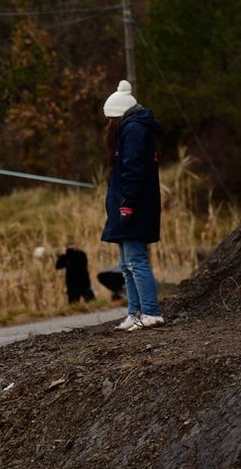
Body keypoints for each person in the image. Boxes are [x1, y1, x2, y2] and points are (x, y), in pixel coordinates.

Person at [101, 80, 165, 331]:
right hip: (127, 205)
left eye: (110, 118)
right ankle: (135, 312)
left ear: (117, 115)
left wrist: (127, 204)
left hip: (134, 206)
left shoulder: (134, 130)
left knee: (136, 261)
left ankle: (150, 311)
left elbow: (133, 169)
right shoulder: (131, 129)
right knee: (126, 265)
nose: (109, 124)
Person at [55, 239, 95, 304]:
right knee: (73, 301)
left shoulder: (80, 254)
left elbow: (79, 263)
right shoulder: (66, 256)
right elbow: (58, 266)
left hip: (82, 280)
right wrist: (62, 256)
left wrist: (66, 254)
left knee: (89, 299)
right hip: (72, 282)